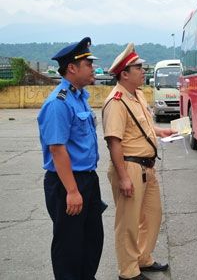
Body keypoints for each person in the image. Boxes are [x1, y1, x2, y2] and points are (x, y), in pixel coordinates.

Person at [102, 43, 174, 280]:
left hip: (147, 167)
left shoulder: (138, 95)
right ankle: (128, 271)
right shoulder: (117, 101)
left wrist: (158, 132)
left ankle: (143, 258)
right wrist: (123, 177)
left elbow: (141, 127)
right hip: (130, 166)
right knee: (128, 222)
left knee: (152, 215)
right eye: (139, 68)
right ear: (124, 74)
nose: (144, 71)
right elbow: (115, 142)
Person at [37, 37, 105, 280]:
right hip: (67, 183)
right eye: (88, 64)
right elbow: (58, 150)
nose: (93, 68)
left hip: (87, 179)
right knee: (69, 246)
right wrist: (72, 191)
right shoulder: (58, 103)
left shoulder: (80, 97)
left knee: (92, 240)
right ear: (72, 68)